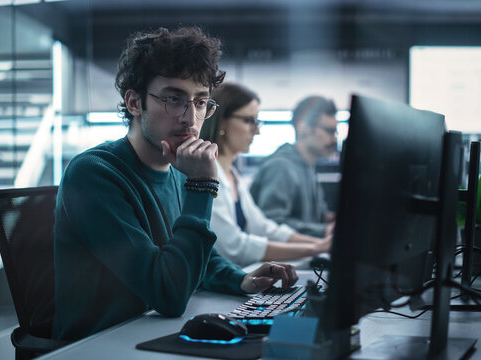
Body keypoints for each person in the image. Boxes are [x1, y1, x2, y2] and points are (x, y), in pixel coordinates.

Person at [52, 27, 297, 341]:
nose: (190, 118)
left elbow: (197, 262)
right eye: (173, 99)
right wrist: (202, 185)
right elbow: (168, 294)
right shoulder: (94, 174)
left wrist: (243, 280)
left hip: (147, 334)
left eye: (200, 102)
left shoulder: (179, 170)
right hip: (98, 344)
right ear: (134, 103)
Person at [199, 83, 332, 267]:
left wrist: (319, 244)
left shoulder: (232, 174)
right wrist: (316, 248)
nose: (257, 130)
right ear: (222, 121)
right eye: (248, 121)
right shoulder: (208, 173)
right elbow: (234, 247)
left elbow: (264, 228)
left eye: (257, 122)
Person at [250, 96, 338, 238]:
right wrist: (323, 231)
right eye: (329, 131)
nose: (334, 139)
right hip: (283, 258)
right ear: (303, 128)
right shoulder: (281, 167)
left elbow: (320, 216)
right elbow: (272, 224)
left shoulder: (308, 166)